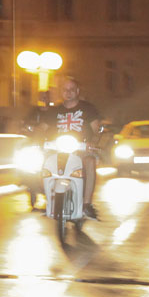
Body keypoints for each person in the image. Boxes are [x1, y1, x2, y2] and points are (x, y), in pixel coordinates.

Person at [39, 77, 101, 220]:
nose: (68, 93)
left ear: (77, 91)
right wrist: (34, 134)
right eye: (65, 90)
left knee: (90, 162)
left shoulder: (88, 108)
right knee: (41, 163)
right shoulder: (54, 111)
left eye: (72, 90)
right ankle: (47, 198)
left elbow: (96, 130)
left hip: (82, 149)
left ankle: (86, 204)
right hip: (57, 149)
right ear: (61, 92)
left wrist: (93, 142)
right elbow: (42, 128)